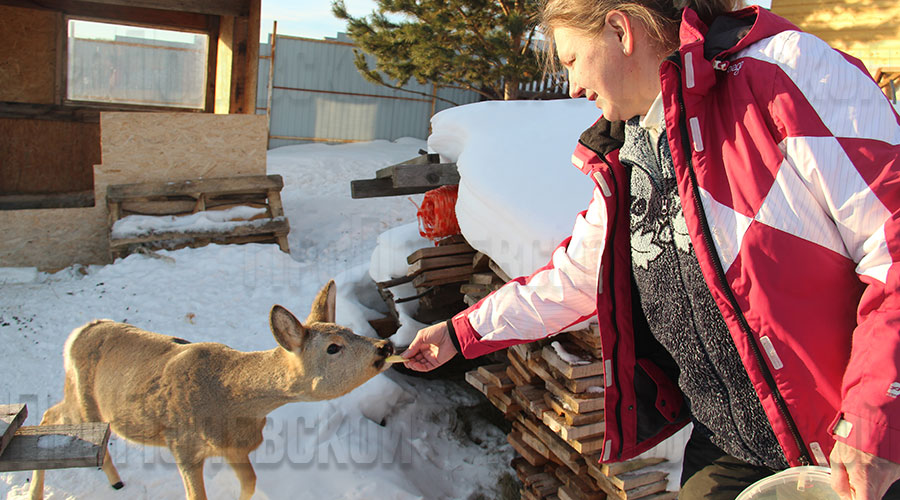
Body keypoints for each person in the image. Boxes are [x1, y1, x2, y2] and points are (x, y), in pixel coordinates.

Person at [401, 0, 900, 499]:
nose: (572, 87)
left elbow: (893, 249)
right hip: (733, 447)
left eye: (571, 60)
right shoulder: (632, 147)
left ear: (621, 30)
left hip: (854, 452)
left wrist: (872, 422)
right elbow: (574, 279)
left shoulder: (786, 74)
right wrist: (458, 332)